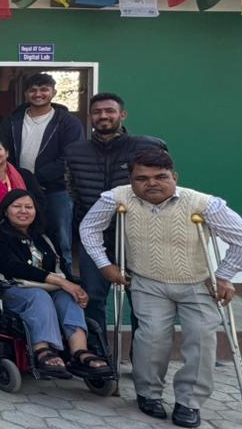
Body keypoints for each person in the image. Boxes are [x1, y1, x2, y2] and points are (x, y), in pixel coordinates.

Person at [80, 150, 242, 428]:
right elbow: (89, 228)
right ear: (132, 180)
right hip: (147, 282)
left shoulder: (203, 203)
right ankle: (148, 394)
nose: (151, 183)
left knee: (201, 339)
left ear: (174, 177)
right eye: (142, 178)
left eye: (160, 177)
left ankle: (189, 402)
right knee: (151, 338)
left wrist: (224, 276)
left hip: (197, 283)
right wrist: (104, 264)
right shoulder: (117, 197)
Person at [64, 93, 167, 336]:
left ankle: (142, 359)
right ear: (89, 117)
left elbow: (163, 187)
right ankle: (98, 358)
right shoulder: (75, 151)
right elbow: (71, 191)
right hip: (94, 238)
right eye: (97, 112)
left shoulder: (148, 146)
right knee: (93, 298)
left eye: (109, 111)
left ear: (122, 115)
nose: (103, 116)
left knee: (142, 301)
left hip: (137, 236)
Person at [0, 190, 108, 378]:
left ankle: (79, 352)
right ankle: (42, 349)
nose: (23, 211)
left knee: (69, 296)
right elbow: (13, 267)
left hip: (49, 290)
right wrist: (60, 281)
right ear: (5, 211)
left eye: (28, 207)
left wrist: (76, 288)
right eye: (17, 207)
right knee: (40, 296)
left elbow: (61, 268)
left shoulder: (44, 238)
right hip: (13, 289)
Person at [0, 73, 84, 262]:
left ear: (53, 92)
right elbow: (1, 151)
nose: (38, 94)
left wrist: (35, 178)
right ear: (26, 93)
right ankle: (26, 279)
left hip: (56, 190)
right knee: (17, 238)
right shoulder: (12, 121)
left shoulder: (68, 122)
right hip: (18, 189)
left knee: (61, 240)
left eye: (44, 89)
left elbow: (71, 157)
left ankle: (66, 283)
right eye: (33, 90)